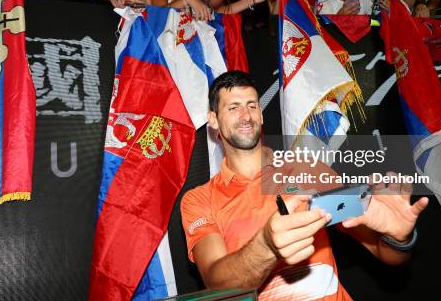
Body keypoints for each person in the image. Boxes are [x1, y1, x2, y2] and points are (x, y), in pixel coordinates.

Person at [181, 71, 428, 299]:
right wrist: (267, 245)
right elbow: (217, 285)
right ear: (213, 120)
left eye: (252, 105)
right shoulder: (200, 200)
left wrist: (397, 238)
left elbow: (383, 252)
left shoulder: (307, 169)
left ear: (261, 113)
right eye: (233, 107)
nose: (245, 116)